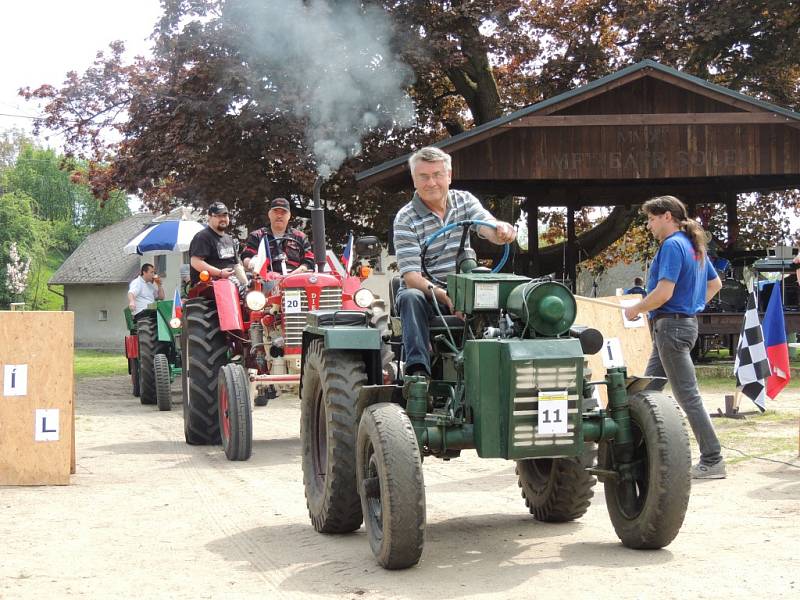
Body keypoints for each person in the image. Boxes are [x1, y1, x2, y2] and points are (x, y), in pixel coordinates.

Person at [623, 195, 725, 480]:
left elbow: (664, 293)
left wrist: (637, 309)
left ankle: (713, 458)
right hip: (679, 326)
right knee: (645, 392)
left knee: (687, 396)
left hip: (670, 328)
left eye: (652, 219)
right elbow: (715, 284)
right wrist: (693, 305)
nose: (649, 225)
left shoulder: (671, 245)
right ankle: (635, 455)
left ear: (667, 216)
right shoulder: (693, 246)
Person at [393, 146, 516, 377]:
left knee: (504, 296)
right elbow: (411, 278)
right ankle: (418, 373)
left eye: (438, 175)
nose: (432, 183)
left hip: (464, 288)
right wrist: (447, 297)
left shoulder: (464, 201)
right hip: (427, 294)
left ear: (449, 176)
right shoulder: (405, 218)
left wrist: (500, 230)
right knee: (410, 297)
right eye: (424, 177)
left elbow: (485, 225)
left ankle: (504, 366)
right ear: (414, 180)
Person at [241, 197, 314, 275]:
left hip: (295, 279)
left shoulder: (300, 237)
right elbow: (246, 257)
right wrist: (252, 264)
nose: (279, 216)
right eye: (275, 212)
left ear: (289, 216)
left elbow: (309, 260)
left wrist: (297, 272)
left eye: (283, 213)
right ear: (269, 214)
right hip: (265, 279)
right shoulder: (257, 236)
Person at [188, 201, 240, 285]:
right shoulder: (202, 237)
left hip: (231, 283)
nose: (223, 219)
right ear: (209, 217)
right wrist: (220, 273)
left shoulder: (229, 239)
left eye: (225, 215)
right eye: (219, 216)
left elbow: (237, 266)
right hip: (207, 287)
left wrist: (247, 285)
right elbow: (195, 262)